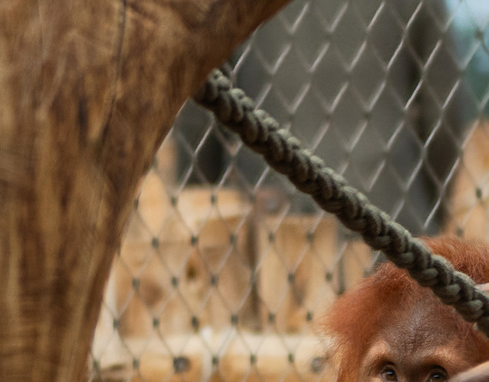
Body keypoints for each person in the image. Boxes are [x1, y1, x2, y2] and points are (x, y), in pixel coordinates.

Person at [179, 0, 471, 235]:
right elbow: (443, 108)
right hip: (390, 218)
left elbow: (197, 102)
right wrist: (430, 206)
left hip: (271, 220)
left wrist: (199, 208)